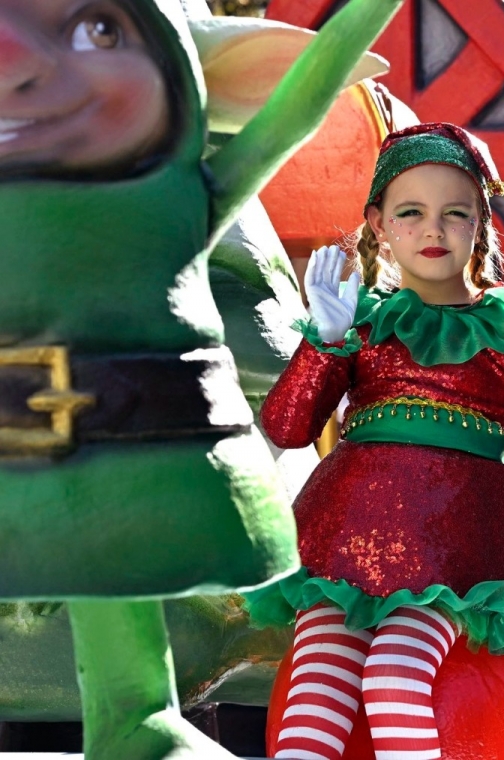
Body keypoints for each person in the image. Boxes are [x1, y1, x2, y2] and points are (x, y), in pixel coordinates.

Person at [0, 1, 405, 758]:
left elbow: (296, 109)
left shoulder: (175, 194)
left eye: (97, 31)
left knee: (137, 681)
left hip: (127, 481)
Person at [247, 123, 504, 760]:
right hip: (345, 543)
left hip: (457, 551)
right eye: (411, 212)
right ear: (378, 224)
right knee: (313, 693)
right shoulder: (360, 321)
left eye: (455, 213)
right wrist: (324, 343)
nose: (434, 229)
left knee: (393, 677)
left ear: (480, 224)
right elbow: (287, 428)